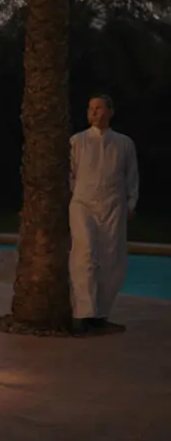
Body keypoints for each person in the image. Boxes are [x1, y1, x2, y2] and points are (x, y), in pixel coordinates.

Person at [69, 94, 139, 336]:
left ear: (110, 111)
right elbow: (71, 174)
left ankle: (100, 314)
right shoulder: (77, 142)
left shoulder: (124, 144)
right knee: (84, 254)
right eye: (91, 108)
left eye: (99, 108)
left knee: (111, 260)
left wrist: (130, 204)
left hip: (113, 207)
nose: (94, 113)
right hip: (82, 204)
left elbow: (131, 177)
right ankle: (82, 313)